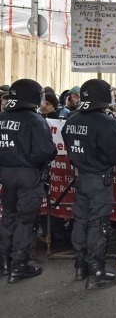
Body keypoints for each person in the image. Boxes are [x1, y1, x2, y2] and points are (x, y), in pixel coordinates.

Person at [61, 79, 116, 289]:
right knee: (99, 224)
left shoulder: (71, 120)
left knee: (80, 221)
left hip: (80, 177)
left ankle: (80, 266)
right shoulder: (106, 122)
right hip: (99, 179)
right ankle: (96, 271)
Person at [0, 79, 57, 282]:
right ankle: (19, 266)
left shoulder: (2, 117)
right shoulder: (35, 120)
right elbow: (44, 151)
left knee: (8, 216)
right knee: (26, 220)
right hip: (28, 174)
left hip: (5, 173)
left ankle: (5, 262)